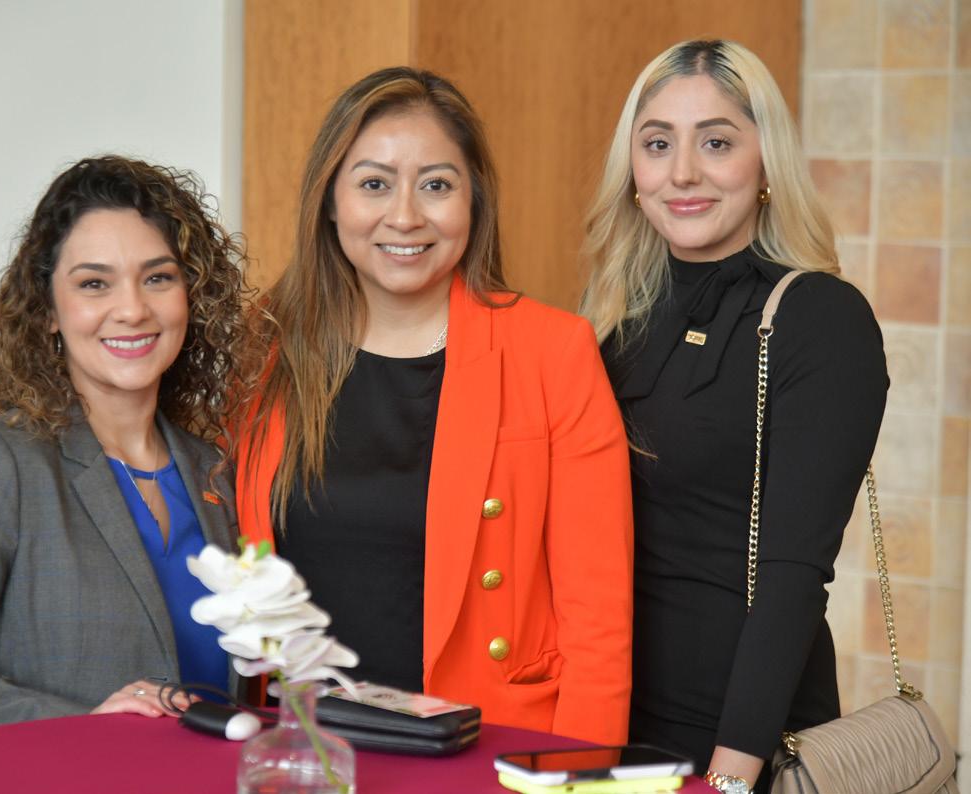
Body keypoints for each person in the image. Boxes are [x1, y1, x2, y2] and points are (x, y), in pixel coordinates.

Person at [235, 66, 634, 744]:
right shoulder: (265, 348)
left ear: (474, 201)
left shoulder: (551, 351)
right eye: (374, 184)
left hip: (486, 746)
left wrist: (581, 774)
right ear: (329, 201)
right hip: (303, 747)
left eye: (436, 185)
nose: (405, 216)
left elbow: (598, 618)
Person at [0, 156, 265, 741]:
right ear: (49, 310)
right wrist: (84, 728)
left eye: (158, 277)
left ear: (192, 296)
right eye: (94, 283)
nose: (132, 309)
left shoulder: (214, 470)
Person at [581, 40, 888, 793]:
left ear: (765, 163)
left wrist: (729, 776)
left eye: (716, 142)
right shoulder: (610, 318)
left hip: (738, 742)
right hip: (599, 722)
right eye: (658, 144)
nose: (682, 172)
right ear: (632, 170)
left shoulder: (820, 318)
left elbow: (793, 576)